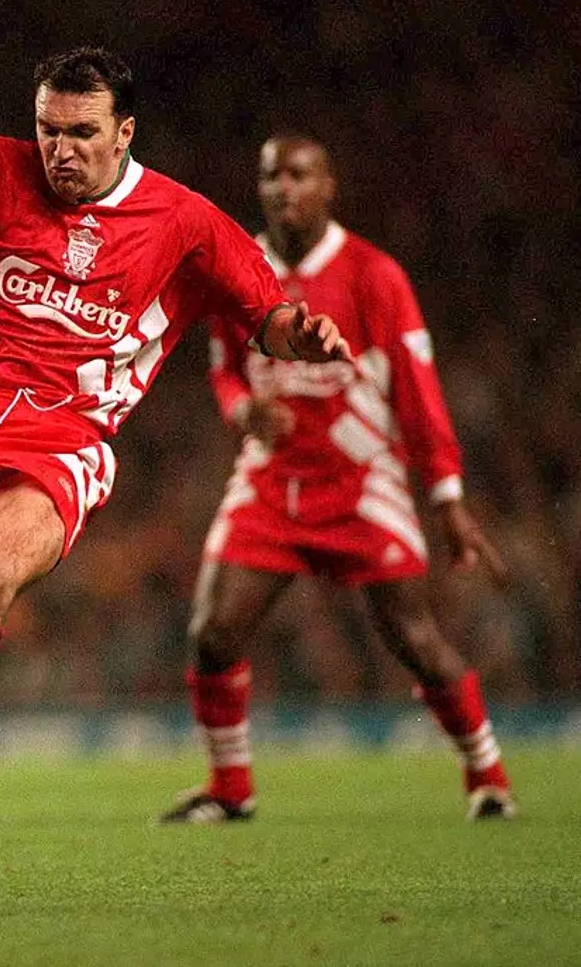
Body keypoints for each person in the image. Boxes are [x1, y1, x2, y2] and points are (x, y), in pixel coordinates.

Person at [0, 46, 352, 877]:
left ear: (124, 133)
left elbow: (267, 313)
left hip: (62, 438)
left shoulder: (185, 220)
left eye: (83, 133)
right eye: (49, 130)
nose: (61, 149)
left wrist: (301, 334)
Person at [159, 134, 515, 824]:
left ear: (329, 187)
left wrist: (447, 497)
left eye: (299, 175)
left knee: (415, 640)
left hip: (361, 482)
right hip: (272, 480)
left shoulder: (373, 275)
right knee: (213, 632)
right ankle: (231, 788)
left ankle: (488, 775)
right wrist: (245, 411)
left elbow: (417, 390)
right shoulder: (242, 267)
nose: (284, 188)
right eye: (272, 176)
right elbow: (226, 370)